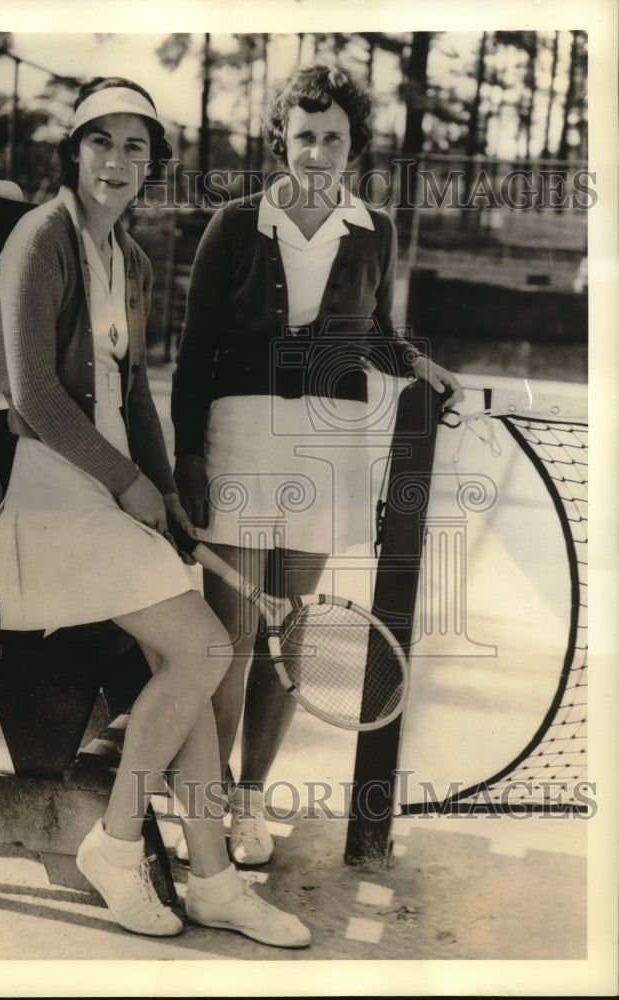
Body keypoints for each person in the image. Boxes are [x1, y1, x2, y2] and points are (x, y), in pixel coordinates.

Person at [0, 76, 310, 947]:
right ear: (74, 151)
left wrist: (163, 493)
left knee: (190, 662)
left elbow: (133, 400)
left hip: (111, 495)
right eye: (101, 141)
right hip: (52, 498)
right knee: (206, 646)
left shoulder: (130, 260)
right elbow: (33, 394)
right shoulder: (38, 239)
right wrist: (125, 483)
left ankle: (213, 883)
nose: (117, 161)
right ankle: (116, 840)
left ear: (150, 166)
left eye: (136, 147)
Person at [172, 65, 464, 865]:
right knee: (228, 635)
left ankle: (248, 803)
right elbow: (194, 349)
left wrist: (417, 362)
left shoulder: (374, 229)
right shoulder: (234, 223)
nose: (316, 152)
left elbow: (375, 333)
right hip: (237, 439)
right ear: (281, 141)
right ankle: (203, 806)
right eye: (303, 136)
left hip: (329, 443)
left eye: (332, 138)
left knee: (288, 632)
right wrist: (186, 451)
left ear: (352, 146)